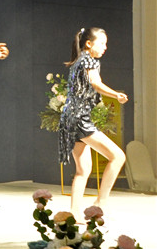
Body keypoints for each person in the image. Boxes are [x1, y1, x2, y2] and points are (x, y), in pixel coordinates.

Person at [59, 27, 128, 220]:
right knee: (118, 156)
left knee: (83, 170)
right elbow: (95, 83)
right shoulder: (89, 60)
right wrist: (116, 95)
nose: (105, 47)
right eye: (102, 43)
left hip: (69, 118)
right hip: (79, 119)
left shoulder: (78, 61)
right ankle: (101, 202)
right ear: (89, 44)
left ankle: (74, 212)